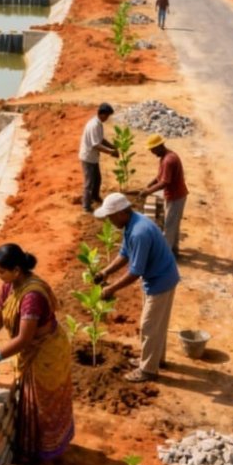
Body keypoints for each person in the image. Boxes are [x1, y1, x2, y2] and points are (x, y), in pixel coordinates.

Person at [0, 244, 74, 465]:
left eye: (1, 271)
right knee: (30, 402)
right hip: (32, 350)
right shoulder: (9, 287)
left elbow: (24, 339)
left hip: (47, 353)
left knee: (42, 405)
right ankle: (32, 449)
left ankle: (47, 460)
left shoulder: (32, 296)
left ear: (17, 270)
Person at [94, 193, 180, 383]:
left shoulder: (139, 232)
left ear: (122, 212)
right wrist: (104, 273)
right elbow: (124, 254)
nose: (109, 220)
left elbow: (135, 272)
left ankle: (148, 370)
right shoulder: (131, 223)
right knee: (157, 324)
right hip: (157, 278)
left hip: (161, 281)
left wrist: (111, 289)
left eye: (110, 216)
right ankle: (154, 359)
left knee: (149, 326)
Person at [140, 134, 188, 256]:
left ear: (159, 146)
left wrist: (148, 192)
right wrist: (149, 185)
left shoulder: (168, 160)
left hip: (176, 196)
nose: (151, 152)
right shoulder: (166, 156)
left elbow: (165, 182)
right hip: (175, 195)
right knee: (174, 224)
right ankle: (174, 251)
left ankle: (165, 256)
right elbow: (159, 177)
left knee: (169, 227)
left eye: (152, 149)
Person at [78, 103, 118, 213]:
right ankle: (86, 206)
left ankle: (95, 197)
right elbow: (96, 144)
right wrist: (111, 152)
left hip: (93, 157)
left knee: (97, 179)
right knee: (89, 182)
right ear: (102, 114)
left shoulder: (98, 123)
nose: (107, 118)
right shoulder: (94, 125)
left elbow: (101, 139)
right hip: (88, 157)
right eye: (107, 116)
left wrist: (112, 146)